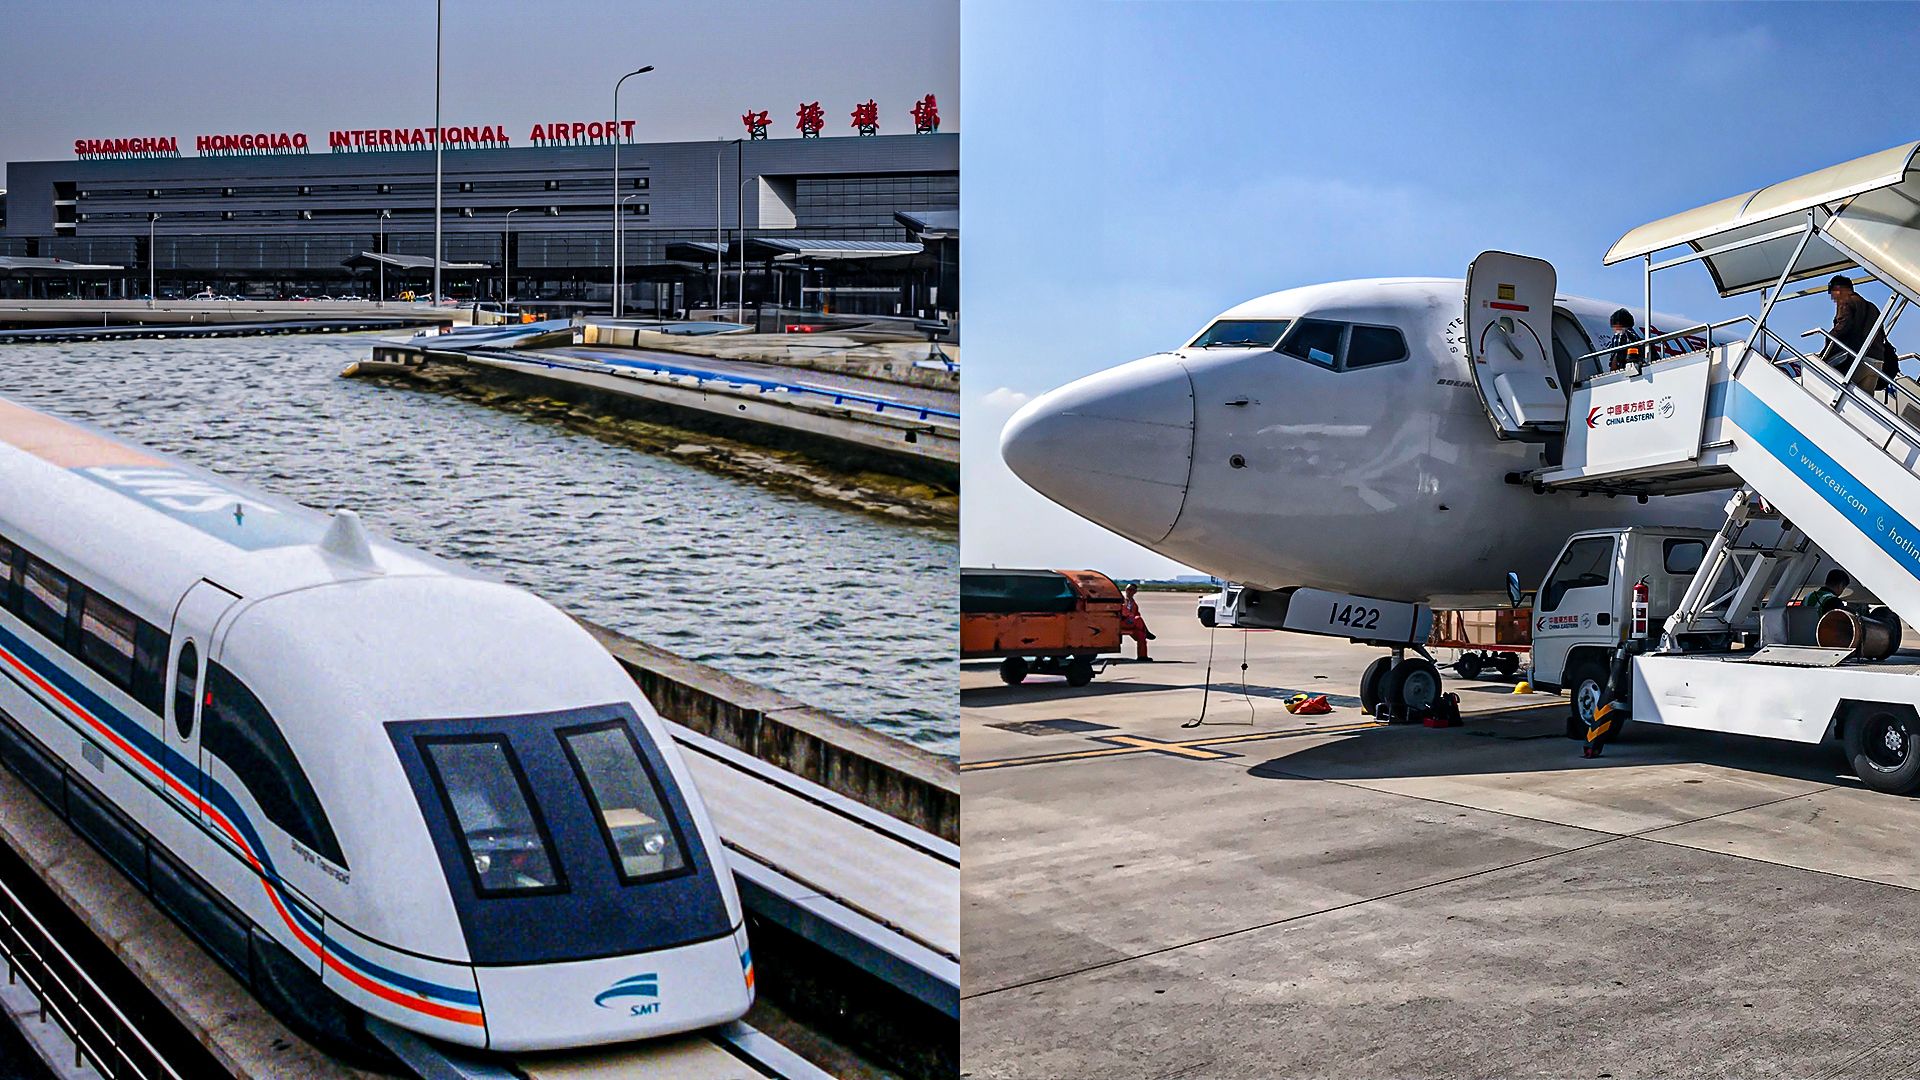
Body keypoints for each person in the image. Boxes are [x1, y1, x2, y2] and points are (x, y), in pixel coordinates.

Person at [1819, 276, 1898, 393]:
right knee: (1864, 402)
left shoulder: (1846, 302)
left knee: (1838, 392)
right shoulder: (1872, 307)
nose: (1833, 298)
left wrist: (1827, 345)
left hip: (1857, 358)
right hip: (1877, 361)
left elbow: (1843, 327)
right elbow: (1881, 334)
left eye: (1832, 293)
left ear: (1838, 290)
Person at [1597, 308, 1644, 373]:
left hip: (1624, 372)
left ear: (1616, 324)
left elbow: (1616, 355)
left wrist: (1613, 373)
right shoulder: (1636, 337)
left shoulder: (1620, 334)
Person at [1118, 583, 1156, 660]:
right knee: (1138, 619)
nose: (1129, 591)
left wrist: (1132, 618)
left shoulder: (1133, 603)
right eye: (1128, 589)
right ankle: (1147, 632)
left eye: (1131, 590)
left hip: (1131, 623)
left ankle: (1142, 656)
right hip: (1121, 622)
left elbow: (1136, 613)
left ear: (1135, 592)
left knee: (1141, 635)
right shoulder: (1121, 599)